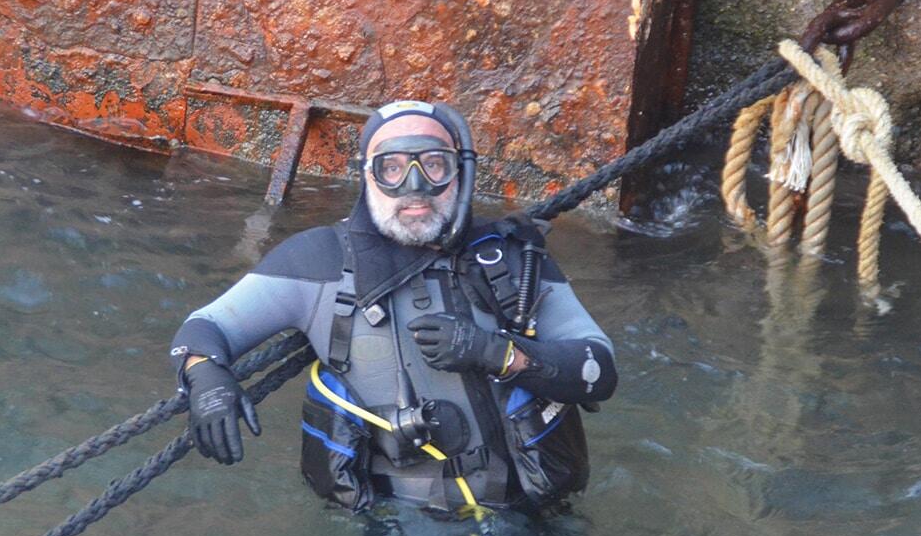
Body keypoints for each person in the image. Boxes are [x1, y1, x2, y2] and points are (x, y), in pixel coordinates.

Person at [169, 100, 616, 513]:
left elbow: (600, 369)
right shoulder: (318, 261)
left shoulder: (510, 256)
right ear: (366, 175)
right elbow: (205, 329)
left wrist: (499, 354)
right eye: (393, 168)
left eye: (434, 165)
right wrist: (205, 377)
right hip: (402, 525)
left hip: (532, 511)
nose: (415, 187)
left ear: (460, 174)